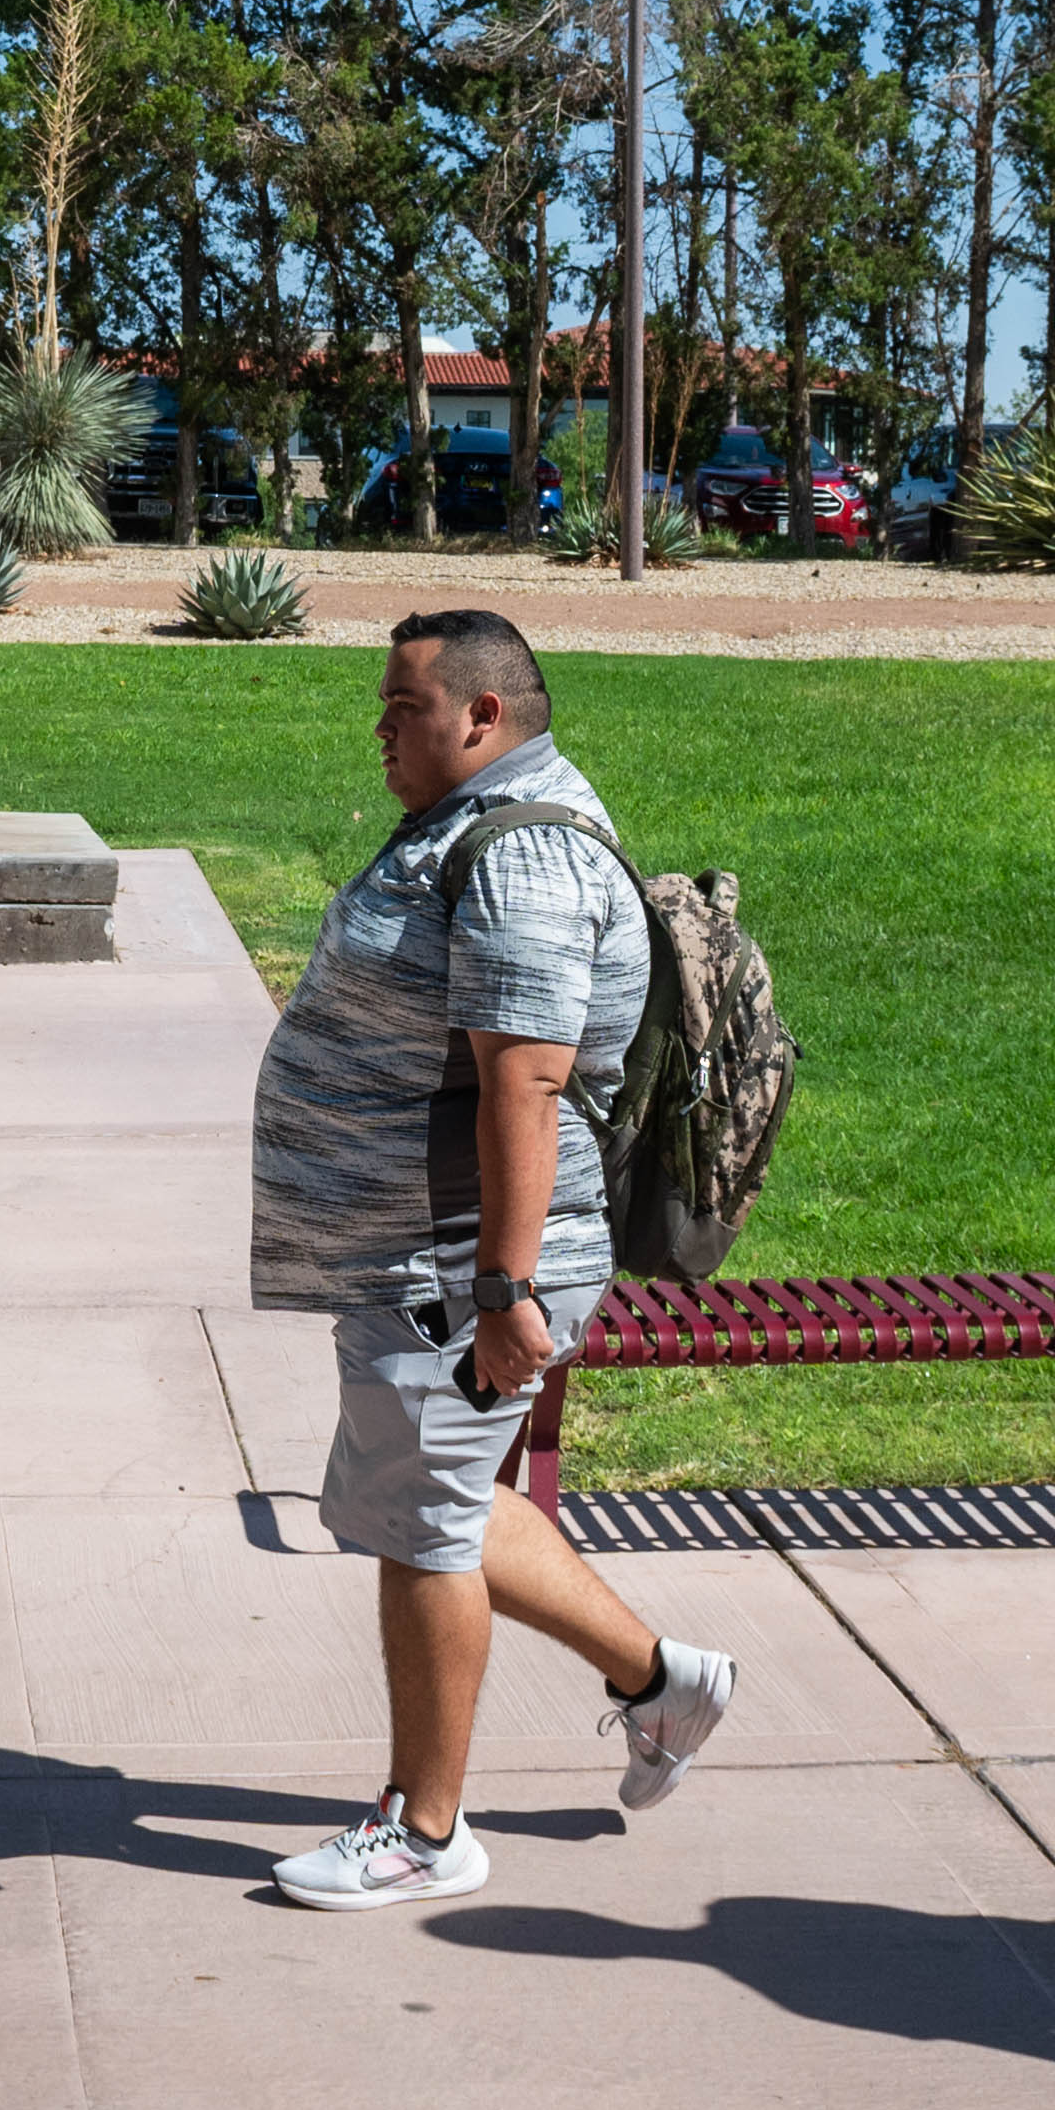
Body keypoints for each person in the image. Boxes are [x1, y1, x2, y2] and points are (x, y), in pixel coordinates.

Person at [239, 608, 732, 1907]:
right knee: (426, 1503)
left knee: (423, 1533)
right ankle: (660, 1678)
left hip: (462, 1259)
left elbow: (524, 1078)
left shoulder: (518, 855)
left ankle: (425, 1828)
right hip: (423, 1249)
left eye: (403, 708)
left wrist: (504, 1290)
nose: (382, 731)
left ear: (483, 715)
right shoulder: (484, 821)